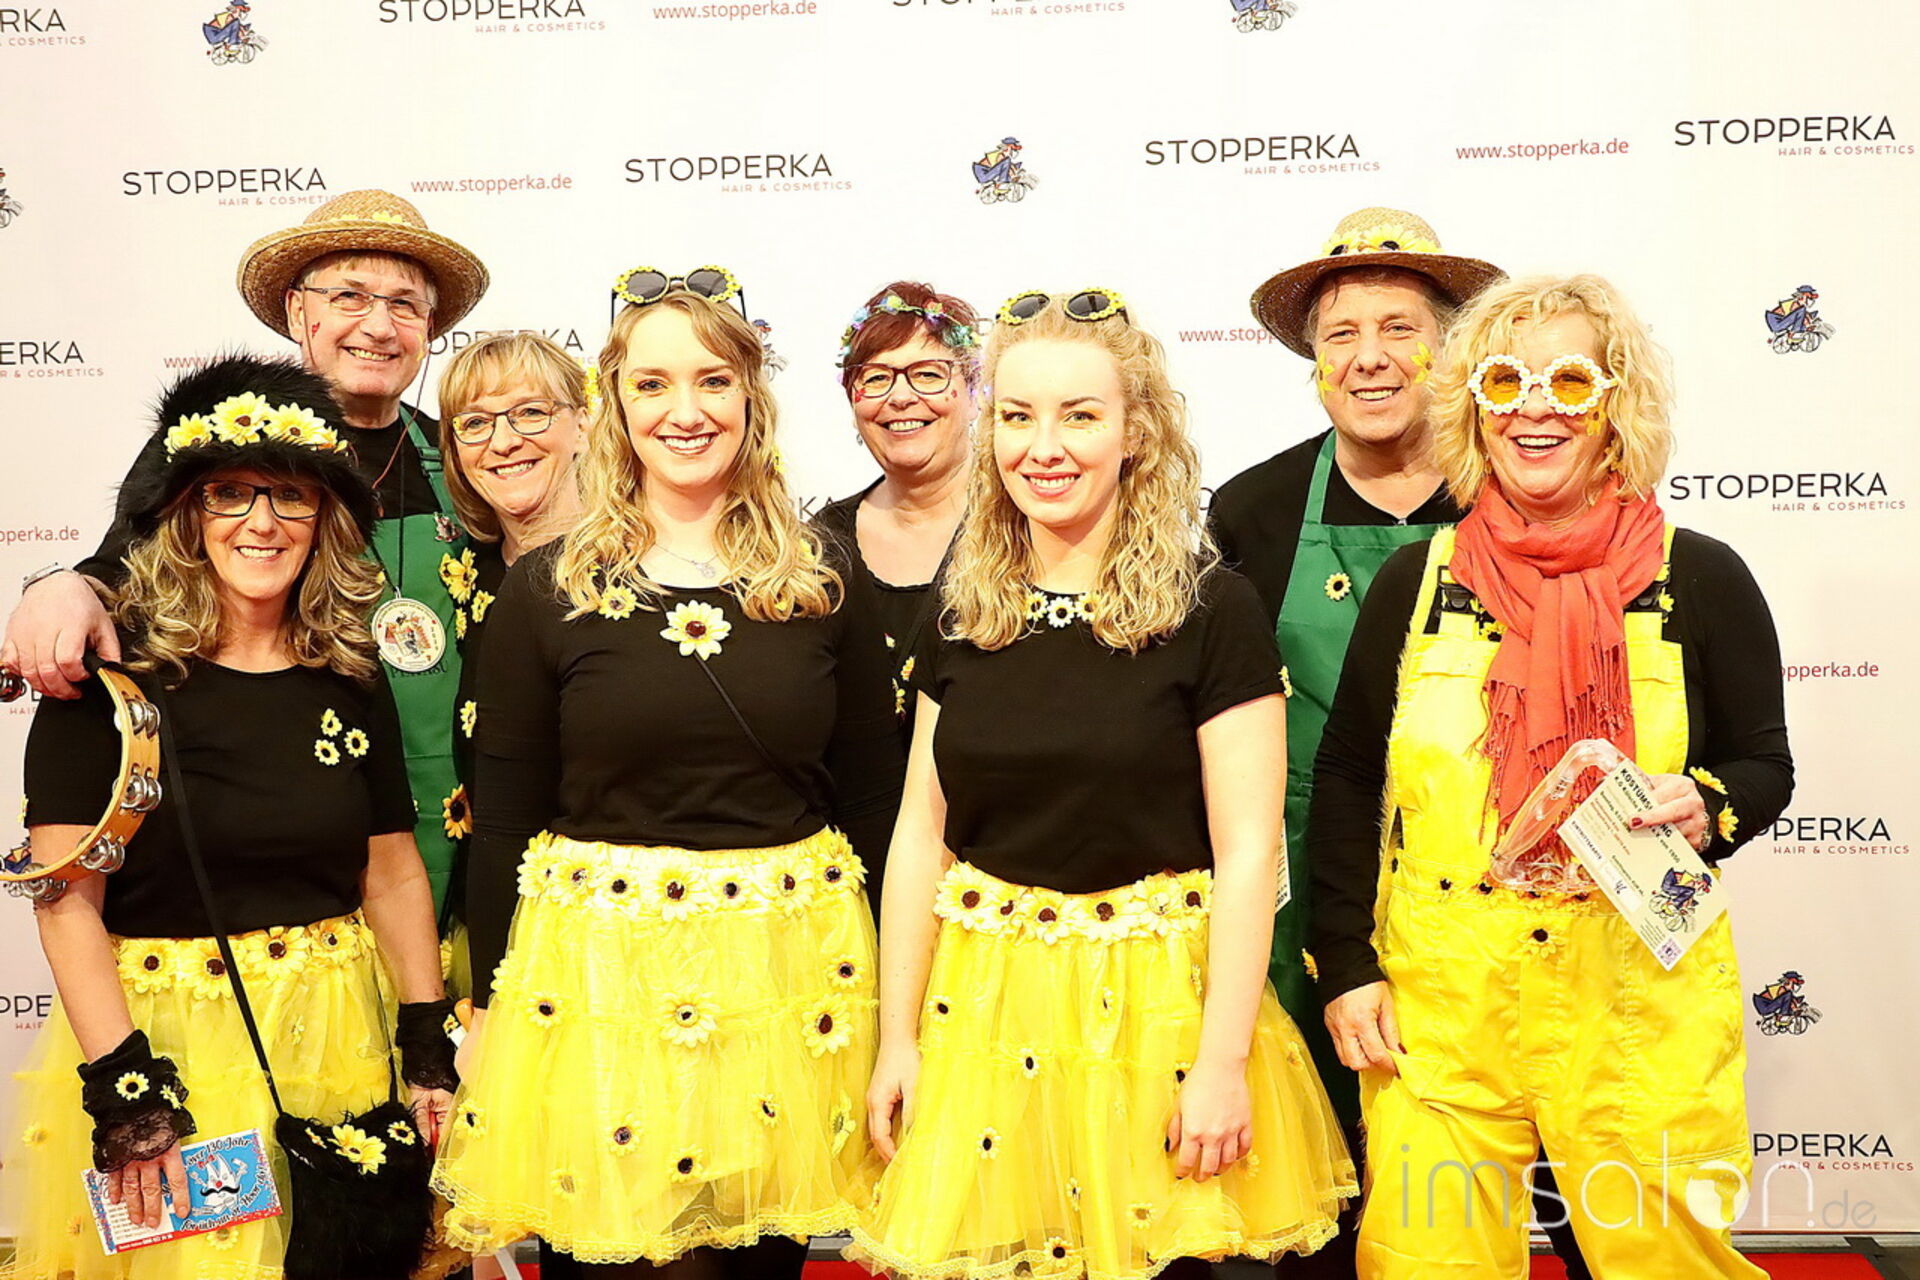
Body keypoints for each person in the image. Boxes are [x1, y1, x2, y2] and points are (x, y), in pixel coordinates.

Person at [851, 289, 1354, 1280]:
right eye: (1018, 415)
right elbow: (921, 834)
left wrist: (1222, 1063)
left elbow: (1250, 853)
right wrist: (896, 1037)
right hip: (985, 1016)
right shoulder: (962, 608)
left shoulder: (1212, 610)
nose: (1044, 447)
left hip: (1166, 1014)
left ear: (1137, 433)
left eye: (1079, 415)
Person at [1309, 274, 1793, 1275]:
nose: (1536, 408)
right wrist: (1348, 966)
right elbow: (1351, 777)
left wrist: (1707, 803)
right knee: (1425, 1262)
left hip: (1637, 993)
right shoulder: (1415, 581)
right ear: (1473, 408)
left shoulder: (1701, 576)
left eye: (1568, 381)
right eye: (1506, 381)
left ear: (1616, 404)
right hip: (1443, 1005)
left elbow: (1764, 764)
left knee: (1665, 1264)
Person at [431, 268, 904, 1278]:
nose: (685, 411)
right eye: (652, 384)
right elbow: (505, 821)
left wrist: (905, 1014)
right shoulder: (548, 587)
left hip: (790, 987)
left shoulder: (825, 575)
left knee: (758, 1259)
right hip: (600, 988)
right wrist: (487, 1017)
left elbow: (874, 802)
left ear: (751, 397)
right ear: (614, 403)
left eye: (713, 380)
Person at [1, 356, 456, 1277]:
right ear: (186, 514)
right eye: (230, 494)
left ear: (324, 520)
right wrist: (128, 1091)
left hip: (340, 1038)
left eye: (290, 496)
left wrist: (424, 1041)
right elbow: (66, 901)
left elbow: (391, 869)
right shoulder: (110, 682)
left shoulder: (349, 672)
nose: (261, 522)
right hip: (172, 1047)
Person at [1215, 207, 1595, 1278]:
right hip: (1304, 883)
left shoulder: (1520, 492)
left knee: (1534, 1174)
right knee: (1316, 1172)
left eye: (1400, 329)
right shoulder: (1252, 509)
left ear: (1451, 349)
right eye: (1342, 333)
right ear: (1313, 362)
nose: (1370, 357)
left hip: (1493, 885)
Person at [0, 190, 489, 921]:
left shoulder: (462, 455)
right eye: (350, 296)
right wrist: (56, 587)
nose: (378, 325)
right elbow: (119, 571)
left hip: (458, 821)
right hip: (301, 824)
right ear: (297, 311)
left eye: (404, 305)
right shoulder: (217, 444)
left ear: (429, 329)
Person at [813, 282, 980, 906]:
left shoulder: (1027, 531)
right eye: (875, 378)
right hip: (845, 879)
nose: (900, 397)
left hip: (992, 880)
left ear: (974, 389)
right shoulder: (815, 548)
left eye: (928, 374)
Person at [433, 332, 588, 997]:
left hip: (611, 925)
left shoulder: (641, 567)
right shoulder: (461, 575)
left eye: (530, 413)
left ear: (582, 424)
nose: (502, 441)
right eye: (475, 423)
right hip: (493, 918)